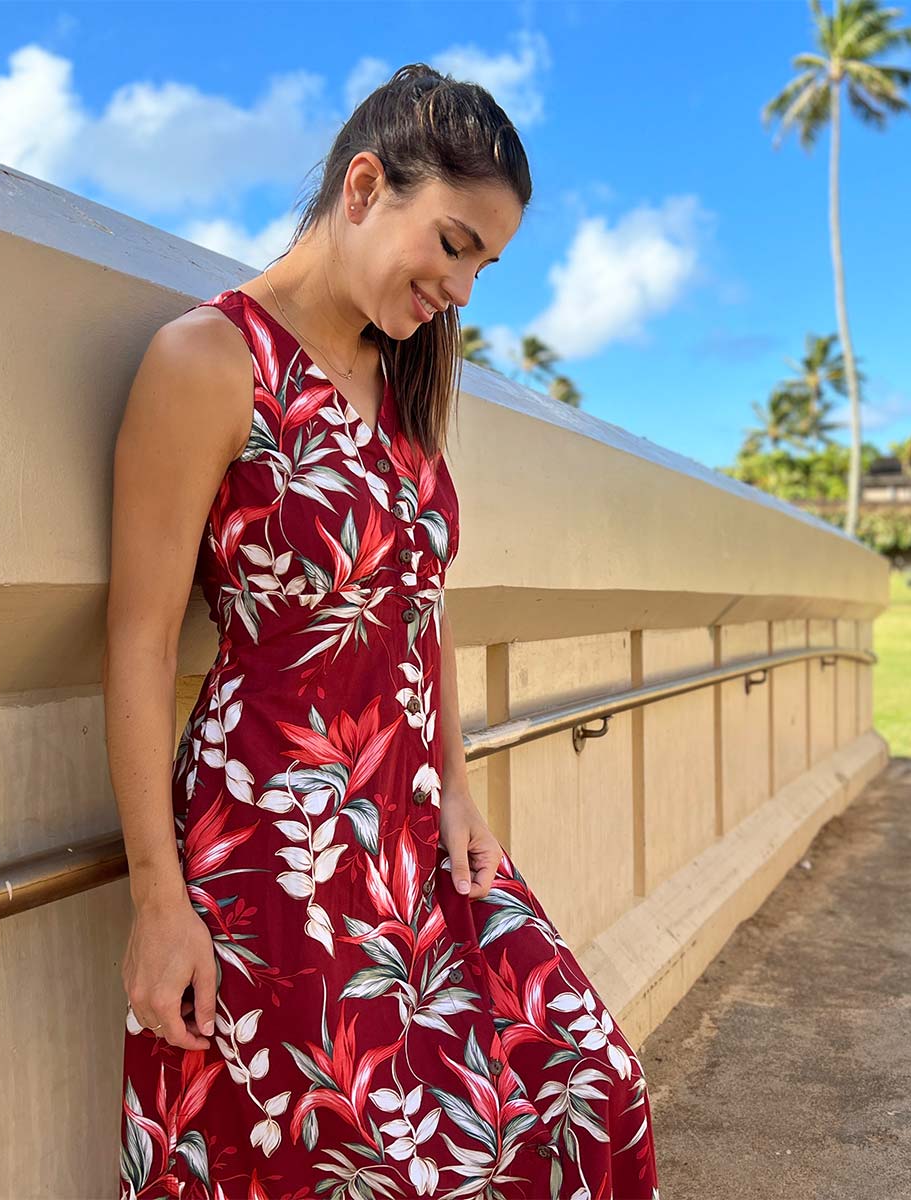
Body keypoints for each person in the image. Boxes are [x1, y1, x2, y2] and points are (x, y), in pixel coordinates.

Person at [106, 63, 660, 1200]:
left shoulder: (400, 387)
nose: (461, 287)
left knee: (589, 1084)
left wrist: (455, 781)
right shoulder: (209, 363)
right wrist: (157, 904)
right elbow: (137, 642)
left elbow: (421, 606)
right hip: (274, 842)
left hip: (411, 827)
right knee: (378, 1165)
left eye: (483, 265)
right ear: (366, 184)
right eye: (453, 244)